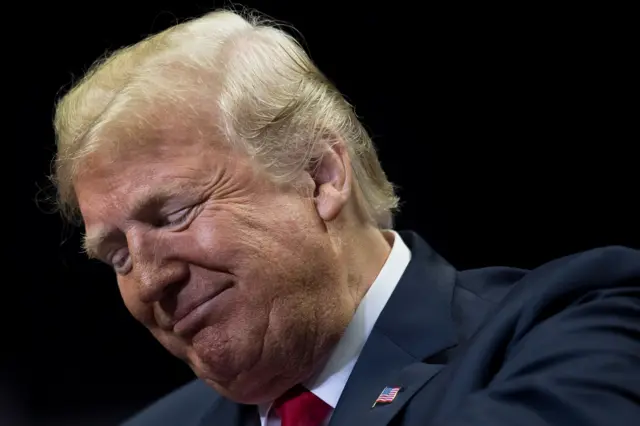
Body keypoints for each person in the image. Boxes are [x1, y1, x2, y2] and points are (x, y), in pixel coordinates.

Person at [52, 9, 639, 426]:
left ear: (320, 175)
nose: (149, 281)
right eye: (118, 256)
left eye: (175, 212)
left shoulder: (577, 320)